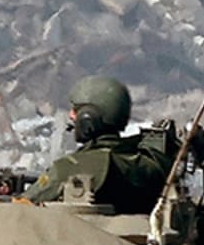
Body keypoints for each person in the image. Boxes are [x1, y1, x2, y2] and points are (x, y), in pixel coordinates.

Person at [25, 76, 172, 214]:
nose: (71, 116)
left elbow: (23, 205)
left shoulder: (71, 167)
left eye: (76, 111)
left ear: (88, 119)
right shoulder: (152, 165)